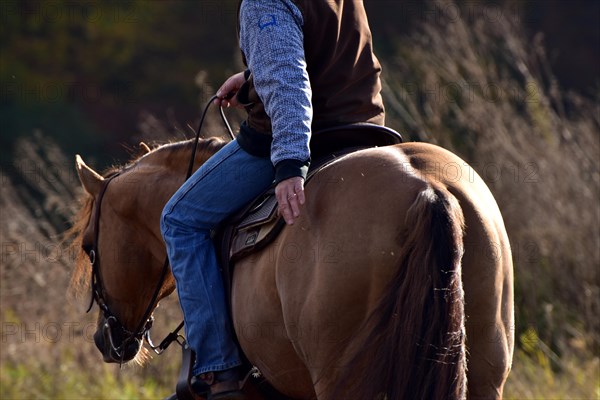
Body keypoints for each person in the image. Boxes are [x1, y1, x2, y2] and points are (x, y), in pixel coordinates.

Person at [160, 1, 384, 398]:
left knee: (180, 219)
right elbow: (323, 50)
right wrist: (250, 78)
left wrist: (290, 164)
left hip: (302, 138)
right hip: (365, 130)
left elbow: (286, 82)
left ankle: (217, 369)